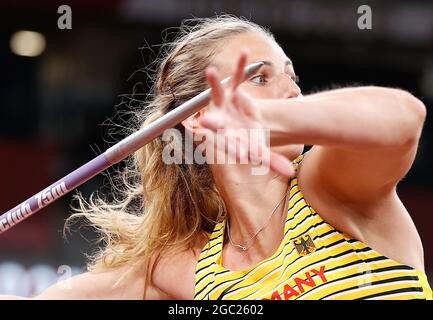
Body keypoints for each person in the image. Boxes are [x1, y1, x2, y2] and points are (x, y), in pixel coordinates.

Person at [2, 15, 432, 300]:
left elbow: (403, 119)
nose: (293, 91)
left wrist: (269, 117)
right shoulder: (191, 268)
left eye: (292, 77)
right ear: (199, 116)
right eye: (261, 77)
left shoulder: (326, 189)